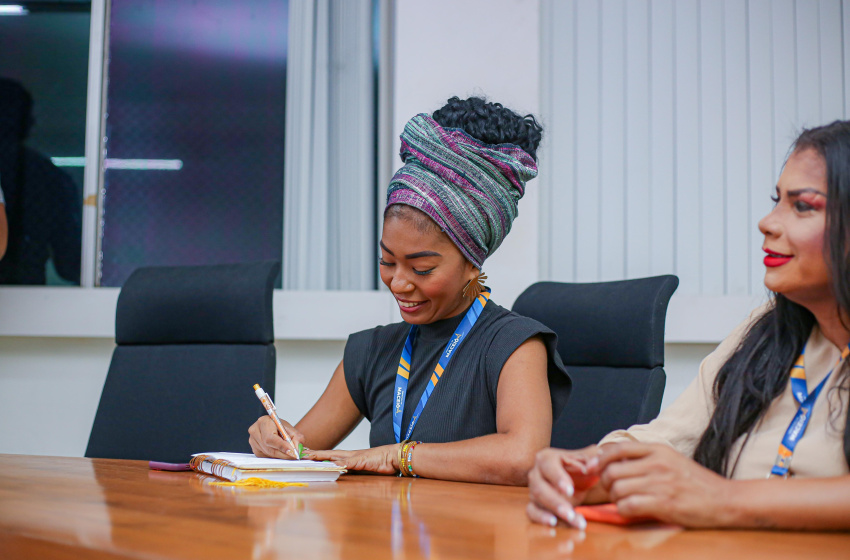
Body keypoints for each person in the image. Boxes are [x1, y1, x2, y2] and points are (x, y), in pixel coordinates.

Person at [527, 120, 850, 530]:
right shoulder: (764, 331)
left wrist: (725, 499)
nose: (767, 222)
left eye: (802, 205)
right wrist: (583, 470)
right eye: (776, 200)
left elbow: (716, 496)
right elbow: (667, 437)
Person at [250, 96, 571, 485]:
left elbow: (523, 457)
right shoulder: (371, 352)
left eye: (422, 268)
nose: (399, 283)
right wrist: (275, 440)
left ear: (473, 261)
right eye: (387, 262)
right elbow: (299, 455)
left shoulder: (513, 346)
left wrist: (395, 456)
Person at [0, 78, 81, 284]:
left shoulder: (50, 179)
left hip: (29, 296)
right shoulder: (52, 178)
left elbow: (71, 264)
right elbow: (71, 264)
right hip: (29, 293)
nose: (32, 122)